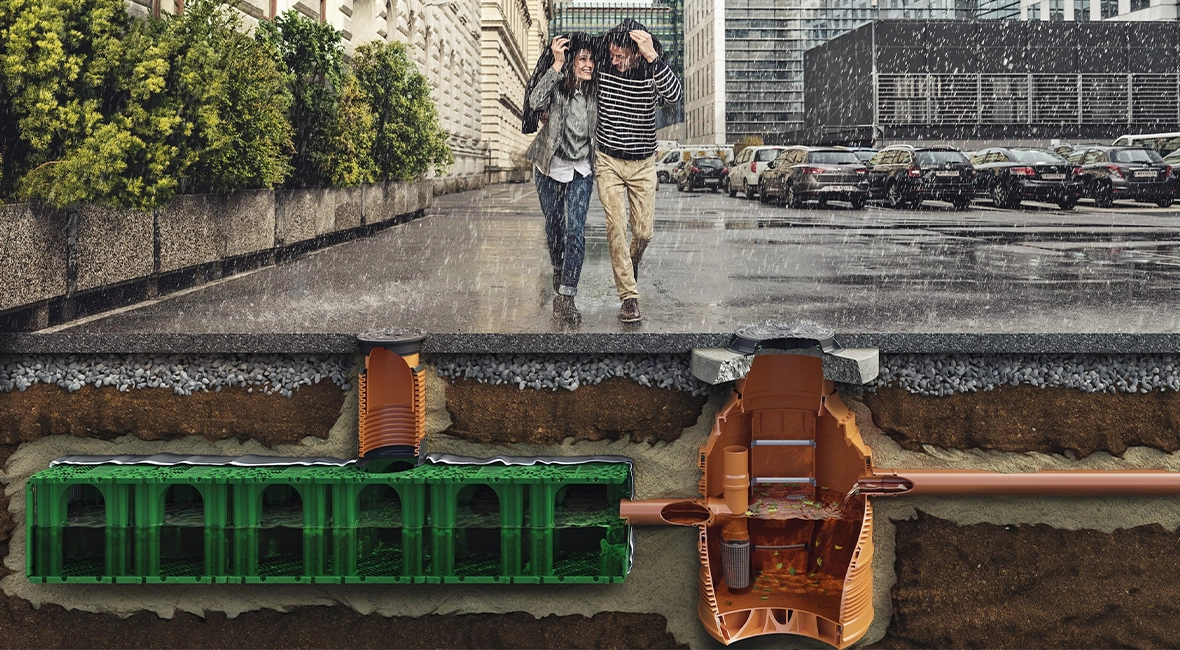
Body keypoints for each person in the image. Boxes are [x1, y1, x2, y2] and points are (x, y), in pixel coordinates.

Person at [595, 20, 682, 323]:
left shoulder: (651, 70)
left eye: (620, 56)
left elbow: (674, 97)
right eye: (612, 55)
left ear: (636, 52)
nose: (614, 60)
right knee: (616, 225)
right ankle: (629, 297)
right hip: (608, 160)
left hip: (644, 163)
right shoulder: (604, 66)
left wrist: (653, 58)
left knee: (643, 233)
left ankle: (631, 262)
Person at [525, 34, 599, 321]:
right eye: (583, 59)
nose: (589, 64)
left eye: (591, 59)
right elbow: (535, 101)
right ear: (571, 63)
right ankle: (558, 264)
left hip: (581, 169)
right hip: (550, 167)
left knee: (575, 230)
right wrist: (556, 64)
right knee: (554, 225)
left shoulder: (596, 93)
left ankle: (567, 295)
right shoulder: (558, 86)